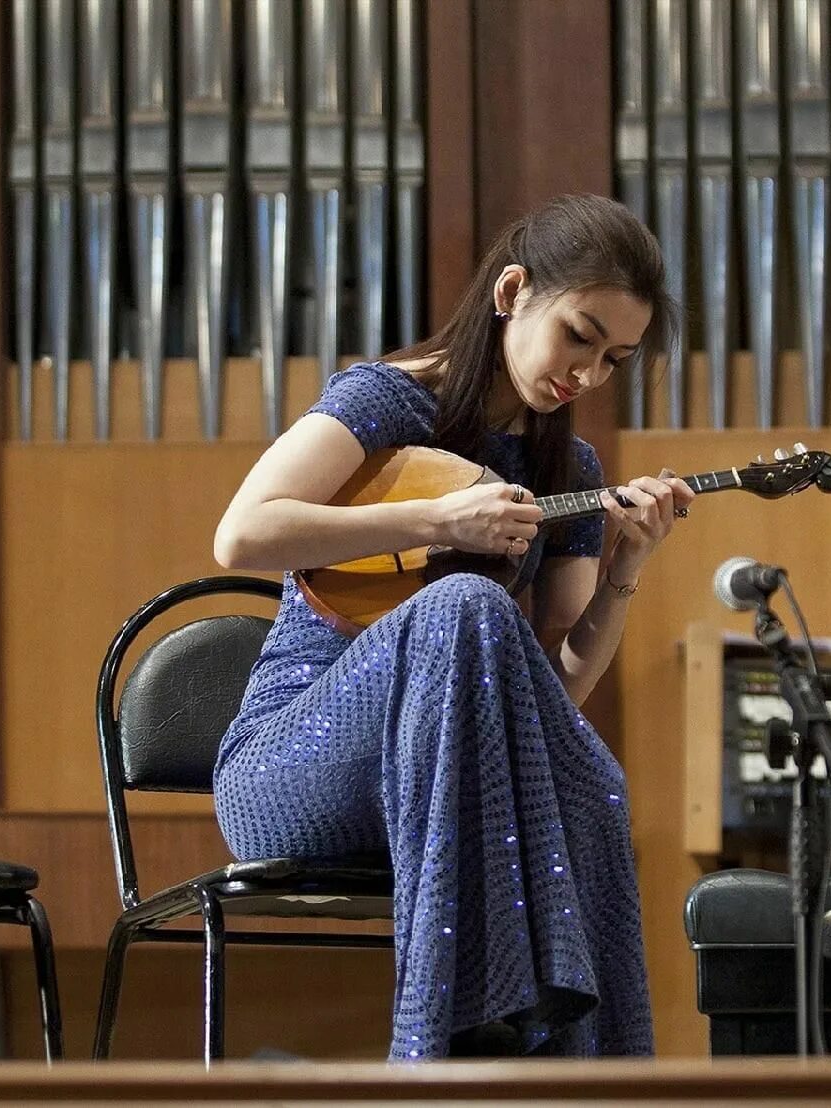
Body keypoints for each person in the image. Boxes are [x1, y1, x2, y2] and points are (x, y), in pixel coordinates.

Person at [211, 194, 692, 1061]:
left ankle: (576, 1077)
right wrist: (439, 523)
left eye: (614, 358)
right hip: (294, 770)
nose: (586, 374)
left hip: (447, 781)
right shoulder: (388, 401)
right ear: (513, 291)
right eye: (579, 335)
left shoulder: (569, 469)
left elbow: (557, 692)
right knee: (465, 604)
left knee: (592, 783)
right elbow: (242, 532)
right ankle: (446, 1052)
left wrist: (625, 570)